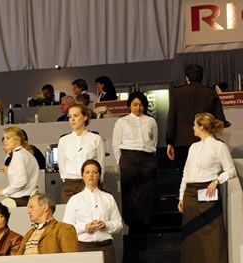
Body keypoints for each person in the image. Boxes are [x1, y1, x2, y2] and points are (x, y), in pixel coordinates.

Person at [63, 160, 123, 263]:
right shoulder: (75, 200)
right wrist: (85, 227)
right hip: (84, 247)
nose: (91, 175)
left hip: (105, 247)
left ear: (99, 175)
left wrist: (106, 225)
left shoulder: (108, 198)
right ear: (82, 175)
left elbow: (119, 225)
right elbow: (67, 228)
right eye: (88, 172)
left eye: (95, 172)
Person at [178, 113, 236, 263]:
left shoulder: (219, 146)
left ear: (202, 126)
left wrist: (216, 181)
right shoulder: (193, 147)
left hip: (207, 191)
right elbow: (186, 173)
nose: (193, 127)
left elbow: (230, 170)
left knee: (210, 233)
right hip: (191, 192)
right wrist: (181, 196)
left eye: (195, 124)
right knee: (193, 234)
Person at [166, 64, 227, 171]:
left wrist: (169, 142)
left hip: (182, 142)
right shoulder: (211, 93)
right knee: (207, 174)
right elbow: (220, 119)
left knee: (185, 175)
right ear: (201, 77)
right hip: (205, 141)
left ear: (186, 77)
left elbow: (171, 119)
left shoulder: (177, 93)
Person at [112, 91, 158, 233]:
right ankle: (131, 222)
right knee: (129, 191)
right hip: (128, 159)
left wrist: (151, 156)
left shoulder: (151, 121)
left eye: (141, 105)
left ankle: (145, 223)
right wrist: (121, 162)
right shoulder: (122, 121)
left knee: (148, 191)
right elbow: (116, 144)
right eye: (135, 104)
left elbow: (154, 141)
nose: (138, 108)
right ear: (129, 105)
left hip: (147, 158)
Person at [57, 104, 105, 203]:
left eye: (76, 115)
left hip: (90, 183)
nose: (72, 119)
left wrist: (97, 181)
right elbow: (62, 164)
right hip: (70, 184)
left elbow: (100, 163)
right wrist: (65, 179)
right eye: (70, 116)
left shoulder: (95, 138)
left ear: (85, 117)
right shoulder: (64, 140)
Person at [0, 126, 38, 207]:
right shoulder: (25, 154)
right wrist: (9, 171)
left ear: (17, 139)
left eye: (8, 138)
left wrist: (3, 192)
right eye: (4, 138)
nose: (4, 141)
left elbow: (21, 181)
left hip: (20, 198)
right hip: (27, 197)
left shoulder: (18, 155)